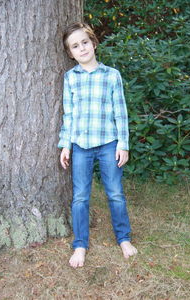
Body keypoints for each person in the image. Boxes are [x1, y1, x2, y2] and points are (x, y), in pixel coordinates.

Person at [58, 22, 137, 268]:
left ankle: (123, 239)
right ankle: (80, 244)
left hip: (108, 143)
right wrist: (66, 145)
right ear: (70, 53)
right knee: (80, 197)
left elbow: (120, 112)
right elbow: (68, 115)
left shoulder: (111, 75)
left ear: (93, 43)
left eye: (84, 42)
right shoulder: (70, 78)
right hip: (81, 145)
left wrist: (123, 144)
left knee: (115, 193)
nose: (81, 48)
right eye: (75, 46)